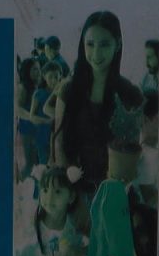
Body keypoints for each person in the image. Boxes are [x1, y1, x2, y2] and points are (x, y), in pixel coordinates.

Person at [52, 11, 144, 196]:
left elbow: (137, 150)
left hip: (115, 194)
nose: (96, 53)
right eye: (90, 44)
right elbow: (59, 145)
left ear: (117, 45)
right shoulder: (68, 91)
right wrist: (71, 198)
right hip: (75, 192)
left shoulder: (130, 94)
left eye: (104, 44)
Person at [15, 166, 87, 256]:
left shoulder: (75, 229)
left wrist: (78, 252)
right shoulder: (30, 229)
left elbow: (90, 251)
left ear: (71, 197)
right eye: (45, 190)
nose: (50, 198)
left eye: (58, 191)